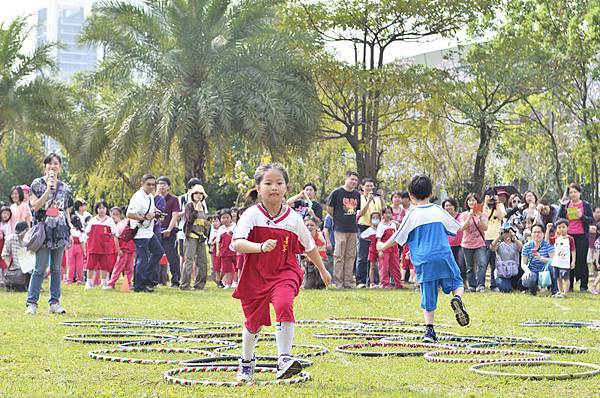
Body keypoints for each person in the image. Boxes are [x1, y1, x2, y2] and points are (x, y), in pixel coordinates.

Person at [232, 163, 331, 382]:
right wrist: (259, 247)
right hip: (255, 276)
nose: (274, 187)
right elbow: (237, 242)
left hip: (284, 272)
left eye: (279, 183)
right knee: (252, 323)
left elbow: (309, 246)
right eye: (268, 183)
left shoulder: (293, 218)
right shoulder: (251, 214)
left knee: (284, 305)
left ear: (286, 188)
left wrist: (323, 270)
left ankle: (284, 359)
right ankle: (246, 363)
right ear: (258, 187)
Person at [377, 175, 469, 343]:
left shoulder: (411, 215)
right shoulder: (437, 210)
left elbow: (398, 238)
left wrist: (382, 246)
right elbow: (457, 228)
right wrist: (469, 218)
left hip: (424, 260)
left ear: (411, 196)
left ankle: (429, 331)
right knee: (457, 282)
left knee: (428, 294)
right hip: (443, 255)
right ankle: (457, 298)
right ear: (431, 193)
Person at [26, 153, 73, 315]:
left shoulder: (65, 187)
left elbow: (66, 210)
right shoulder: (37, 184)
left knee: (56, 269)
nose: (53, 167)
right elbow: (35, 207)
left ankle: (55, 302)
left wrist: (70, 230)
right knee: (39, 268)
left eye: (56, 164)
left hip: (59, 230)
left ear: (60, 167)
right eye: (50, 164)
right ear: (45, 166)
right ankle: (31, 303)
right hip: (43, 230)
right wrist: (48, 189)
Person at [127, 174, 163, 293]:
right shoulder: (137, 197)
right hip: (140, 231)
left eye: (153, 184)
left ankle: (145, 278)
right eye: (148, 184)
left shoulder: (150, 197)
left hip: (149, 231)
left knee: (158, 252)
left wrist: (156, 213)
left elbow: (151, 211)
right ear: (142, 183)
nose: (151, 186)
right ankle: (139, 285)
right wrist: (144, 217)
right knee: (142, 258)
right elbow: (129, 214)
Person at [326, 171, 361, 289]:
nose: (354, 182)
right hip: (340, 228)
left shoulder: (357, 194)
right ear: (346, 179)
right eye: (352, 179)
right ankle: (338, 282)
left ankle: (348, 282)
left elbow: (358, 211)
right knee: (339, 256)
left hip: (353, 228)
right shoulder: (337, 192)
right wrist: (337, 218)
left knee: (351, 256)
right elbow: (329, 209)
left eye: (356, 180)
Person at [558, 183, 594, 292]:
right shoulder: (566, 204)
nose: (573, 194)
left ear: (579, 193)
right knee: (568, 260)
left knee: (581, 260)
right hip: (568, 236)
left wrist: (581, 216)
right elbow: (560, 218)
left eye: (575, 192)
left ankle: (584, 286)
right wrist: (562, 206)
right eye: (570, 192)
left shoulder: (586, 205)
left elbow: (591, 220)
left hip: (582, 236)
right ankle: (570, 286)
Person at [355, 178, 385, 288]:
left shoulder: (376, 199)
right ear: (362, 187)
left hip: (376, 228)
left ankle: (373, 281)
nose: (369, 188)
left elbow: (383, 209)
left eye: (371, 186)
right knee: (362, 255)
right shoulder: (359, 198)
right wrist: (368, 200)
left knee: (374, 256)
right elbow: (361, 213)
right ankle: (360, 281)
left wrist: (381, 197)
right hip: (364, 227)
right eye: (367, 186)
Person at [85, 200, 119, 290]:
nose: (101, 210)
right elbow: (87, 232)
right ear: (96, 209)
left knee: (105, 266)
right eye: (99, 208)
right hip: (94, 247)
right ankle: (89, 283)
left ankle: (104, 283)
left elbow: (114, 233)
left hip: (105, 248)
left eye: (103, 208)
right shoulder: (92, 220)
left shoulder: (110, 220)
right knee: (91, 265)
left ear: (106, 209)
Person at [181, 184, 209, 290]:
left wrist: (206, 234)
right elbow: (189, 220)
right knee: (189, 260)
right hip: (191, 236)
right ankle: (185, 284)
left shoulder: (203, 206)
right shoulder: (189, 205)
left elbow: (205, 222)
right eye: (196, 193)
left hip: (201, 237)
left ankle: (200, 284)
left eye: (201, 193)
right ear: (192, 194)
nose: (199, 195)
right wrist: (196, 210)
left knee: (202, 262)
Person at [459, 193, 488, 292]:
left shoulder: (483, 213)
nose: (472, 202)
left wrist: (479, 217)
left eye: (474, 200)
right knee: (469, 266)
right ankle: (472, 285)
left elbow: (485, 228)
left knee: (482, 263)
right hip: (467, 244)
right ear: (467, 202)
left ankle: (480, 285)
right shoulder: (463, 215)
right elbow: (462, 228)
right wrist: (469, 216)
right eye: (470, 200)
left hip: (480, 243)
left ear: (478, 202)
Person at [155, 176, 182, 288]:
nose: (162, 186)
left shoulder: (173, 199)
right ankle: (155, 280)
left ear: (169, 186)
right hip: (156, 231)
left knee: (172, 257)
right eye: (160, 183)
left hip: (169, 232)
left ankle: (175, 281)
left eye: (164, 184)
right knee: (155, 256)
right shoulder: (154, 198)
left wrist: (169, 230)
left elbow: (175, 215)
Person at [482, 191, 507, 292]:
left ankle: (494, 284)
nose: (491, 198)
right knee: (483, 262)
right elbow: (479, 217)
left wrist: (496, 204)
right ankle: (481, 284)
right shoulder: (481, 206)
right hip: (484, 237)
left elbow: (501, 217)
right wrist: (485, 203)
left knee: (494, 262)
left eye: (493, 196)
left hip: (496, 237)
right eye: (489, 196)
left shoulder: (500, 205)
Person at [545, 219, 576, 298]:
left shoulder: (570, 239)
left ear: (567, 228)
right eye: (559, 227)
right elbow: (546, 240)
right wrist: (548, 229)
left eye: (563, 227)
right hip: (556, 262)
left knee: (565, 278)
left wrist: (573, 261)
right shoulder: (556, 238)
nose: (561, 229)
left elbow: (573, 250)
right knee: (558, 277)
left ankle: (565, 292)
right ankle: (560, 291)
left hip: (565, 262)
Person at [107, 211, 136, 290]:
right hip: (123, 250)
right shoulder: (122, 224)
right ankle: (111, 283)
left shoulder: (135, 224)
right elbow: (116, 237)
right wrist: (118, 249)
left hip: (131, 250)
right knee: (118, 267)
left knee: (129, 268)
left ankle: (128, 284)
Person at [490, 227, 522, 292]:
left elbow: (521, 248)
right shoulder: (499, 244)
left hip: (514, 272)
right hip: (502, 273)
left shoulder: (515, 244)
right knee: (506, 289)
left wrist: (514, 237)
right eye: (505, 233)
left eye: (508, 232)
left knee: (516, 287)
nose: (507, 234)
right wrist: (499, 236)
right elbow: (492, 247)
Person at [376, 206, 402, 289]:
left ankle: (398, 283)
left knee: (396, 266)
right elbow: (378, 240)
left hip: (394, 249)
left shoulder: (393, 224)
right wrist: (380, 251)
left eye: (389, 213)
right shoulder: (381, 226)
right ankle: (384, 284)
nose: (388, 215)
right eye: (386, 213)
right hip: (384, 249)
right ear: (382, 214)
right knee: (384, 267)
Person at [1, 221, 30, 291]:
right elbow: (4, 254)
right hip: (15, 271)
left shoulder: (27, 241)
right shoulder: (11, 238)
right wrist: (10, 267)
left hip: (24, 270)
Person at [442, 199, 466, 284]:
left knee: (461, 264)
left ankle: (463, 283)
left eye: (450, 205)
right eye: (446, 206)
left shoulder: (461, 216)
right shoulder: (443, 218)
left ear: (454, 206)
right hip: (448, 245)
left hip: (460, 244)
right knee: (449, 265)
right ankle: (450, 283)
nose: (448, 207)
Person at [302, 216, 328, 289]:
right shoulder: (302, 237)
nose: (309, 227)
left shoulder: (321, 239)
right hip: (307, 263)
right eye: (307, 225)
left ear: (316, 227)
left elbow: (321, 256)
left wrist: (308, 258)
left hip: (319, 262)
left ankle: (321, 284)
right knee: (308, 287)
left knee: (320, 264)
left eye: (312, 225)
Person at [359, 212, 381, 288]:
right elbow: (362, 236)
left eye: (377, 218)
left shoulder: (381, 229)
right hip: (372, 250)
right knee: (372, 266)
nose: (375, 219)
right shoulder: (369, 230)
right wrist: (369, 239)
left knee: (381, 266)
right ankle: (372, 282)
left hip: (380, 250)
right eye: (373, 218)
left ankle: (381, 282)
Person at [216, 209, 236, 289]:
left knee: (237, 267)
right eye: (223, 218)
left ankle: (235, 281)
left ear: (231, 218)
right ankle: (227, 283)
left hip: (235, 250)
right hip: (224, 252)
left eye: (227, 217)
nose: (225, 220)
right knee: (226, 268)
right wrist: (218, 250)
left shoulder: (235, 227)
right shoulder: (221, 229)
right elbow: (218, 240)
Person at [66, 215, 86, 285]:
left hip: (71, 247)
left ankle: (69, 279)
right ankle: (79, 279)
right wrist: (84, 251)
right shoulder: (81, 231)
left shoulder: (70, 230)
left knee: (71, 264)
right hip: (79, 247)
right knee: (79, 264)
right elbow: (82, 242)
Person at [208, 215, 221, 287]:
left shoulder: (222, 229)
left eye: (216, 221)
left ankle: (220, 282)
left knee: (218, 267)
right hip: (212, 251)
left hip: (219, 251)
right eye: (213, 221)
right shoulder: (211, 230)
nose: (214, 223)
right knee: (213, 268)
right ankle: (218, 282)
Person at [0, 207, 12, 276]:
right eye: (4, 213)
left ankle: (3, 278)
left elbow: (7, 236)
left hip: (3, 244)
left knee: (3, 260)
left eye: (8, 214)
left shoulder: (7, 225)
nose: (6, 215)